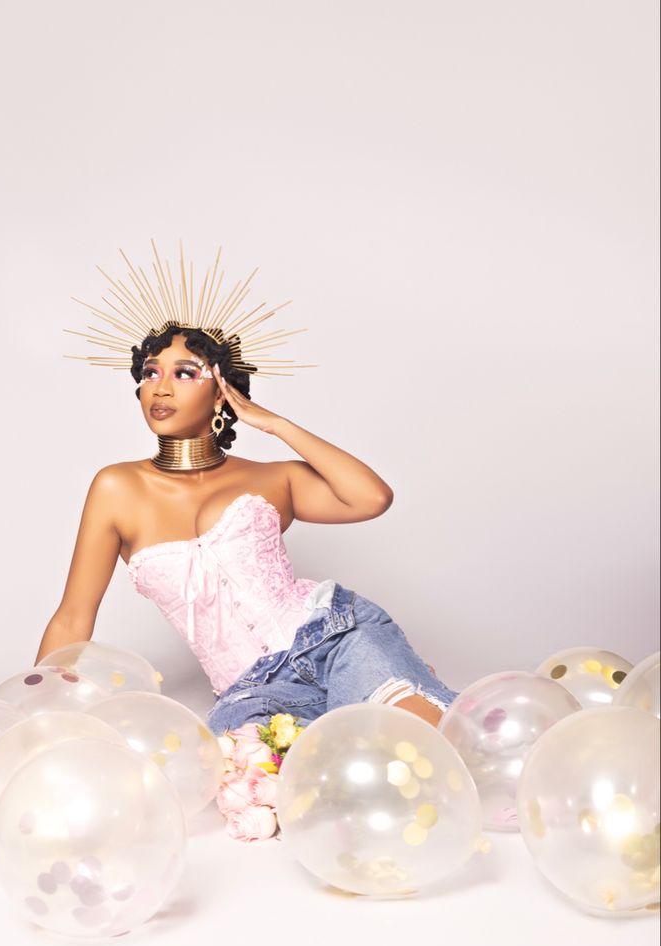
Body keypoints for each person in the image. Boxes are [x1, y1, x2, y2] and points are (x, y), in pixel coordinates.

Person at [35, 245, 460, 735]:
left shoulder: (271, 477)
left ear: (220, 392)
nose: (161, 387)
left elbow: (371, 498)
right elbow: (71, 619)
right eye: (151, 372)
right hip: (252, 690)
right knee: (276, 791)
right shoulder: (117, 487)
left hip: (339, 637)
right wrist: (38, 719)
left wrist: (276, 424)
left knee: (424, 747)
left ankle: (405, 690)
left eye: (185, 373)